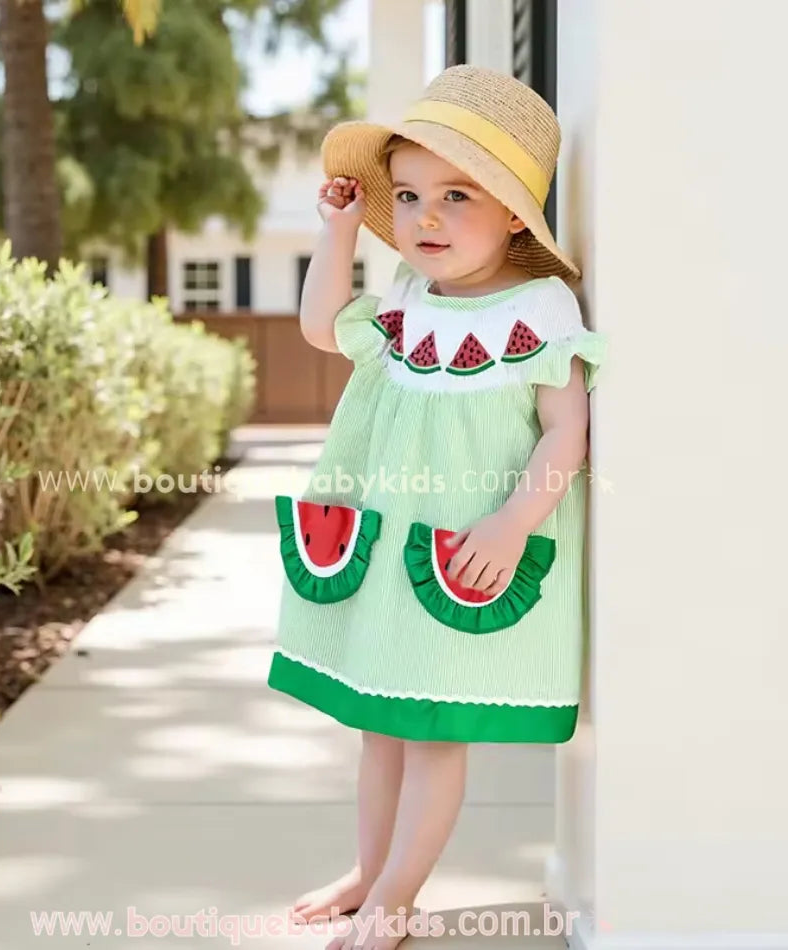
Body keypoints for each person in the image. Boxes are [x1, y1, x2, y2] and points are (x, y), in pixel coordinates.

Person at [266, 64, 607, 950]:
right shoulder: (411, 301)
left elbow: (564, 431)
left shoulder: (540, 306)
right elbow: (319, 325)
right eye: (409, 194)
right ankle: (370, 874)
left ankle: (397, 902)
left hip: (464, 549)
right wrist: (338, 231)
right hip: (393, 546)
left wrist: (511, 524)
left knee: (432, 735)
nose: (424, 217)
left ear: (514, 214)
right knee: (379, 723)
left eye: (458, 195)